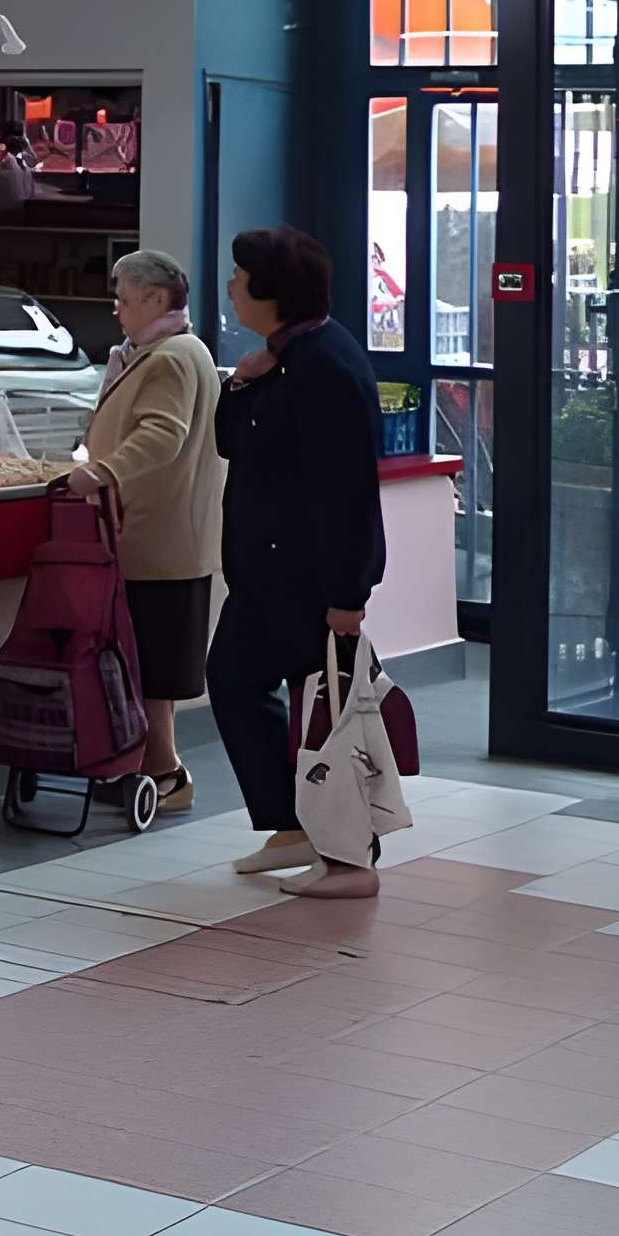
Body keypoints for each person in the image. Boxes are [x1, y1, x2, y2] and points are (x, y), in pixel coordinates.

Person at [208, 224, 387, 898]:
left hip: (310, 578)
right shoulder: (283, 358)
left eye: (240, 277)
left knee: (326, 715)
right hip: (266, 574)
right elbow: (233, 444)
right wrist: (239, 382)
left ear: (271, 291)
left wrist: (348, 592)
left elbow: (349, 491)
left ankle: (350, 860)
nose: (231, 286)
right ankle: (291, 825)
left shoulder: (324, 365)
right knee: (234, 680)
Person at [79, 250, 220, 809]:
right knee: (148, 662)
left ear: (157, 299)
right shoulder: (165, 352)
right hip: (160, 535)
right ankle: (147, 766)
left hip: (161, 539)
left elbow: (162, 435)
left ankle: (166, 772)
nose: (117, 310)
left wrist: (102, 471)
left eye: (124, 299)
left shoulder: (171, 357)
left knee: (154, 666)